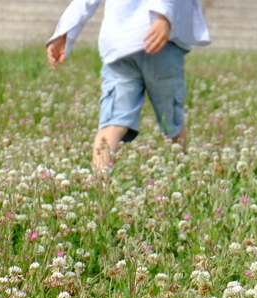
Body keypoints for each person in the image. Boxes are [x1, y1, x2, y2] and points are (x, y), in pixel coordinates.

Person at [46, 0, 210, 171]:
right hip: (162, 42)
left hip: (120, 43)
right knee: (172, 119)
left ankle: (99, 179)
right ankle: (181, 170)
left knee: (113, 120)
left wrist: (65, 32)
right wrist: (164, 16)